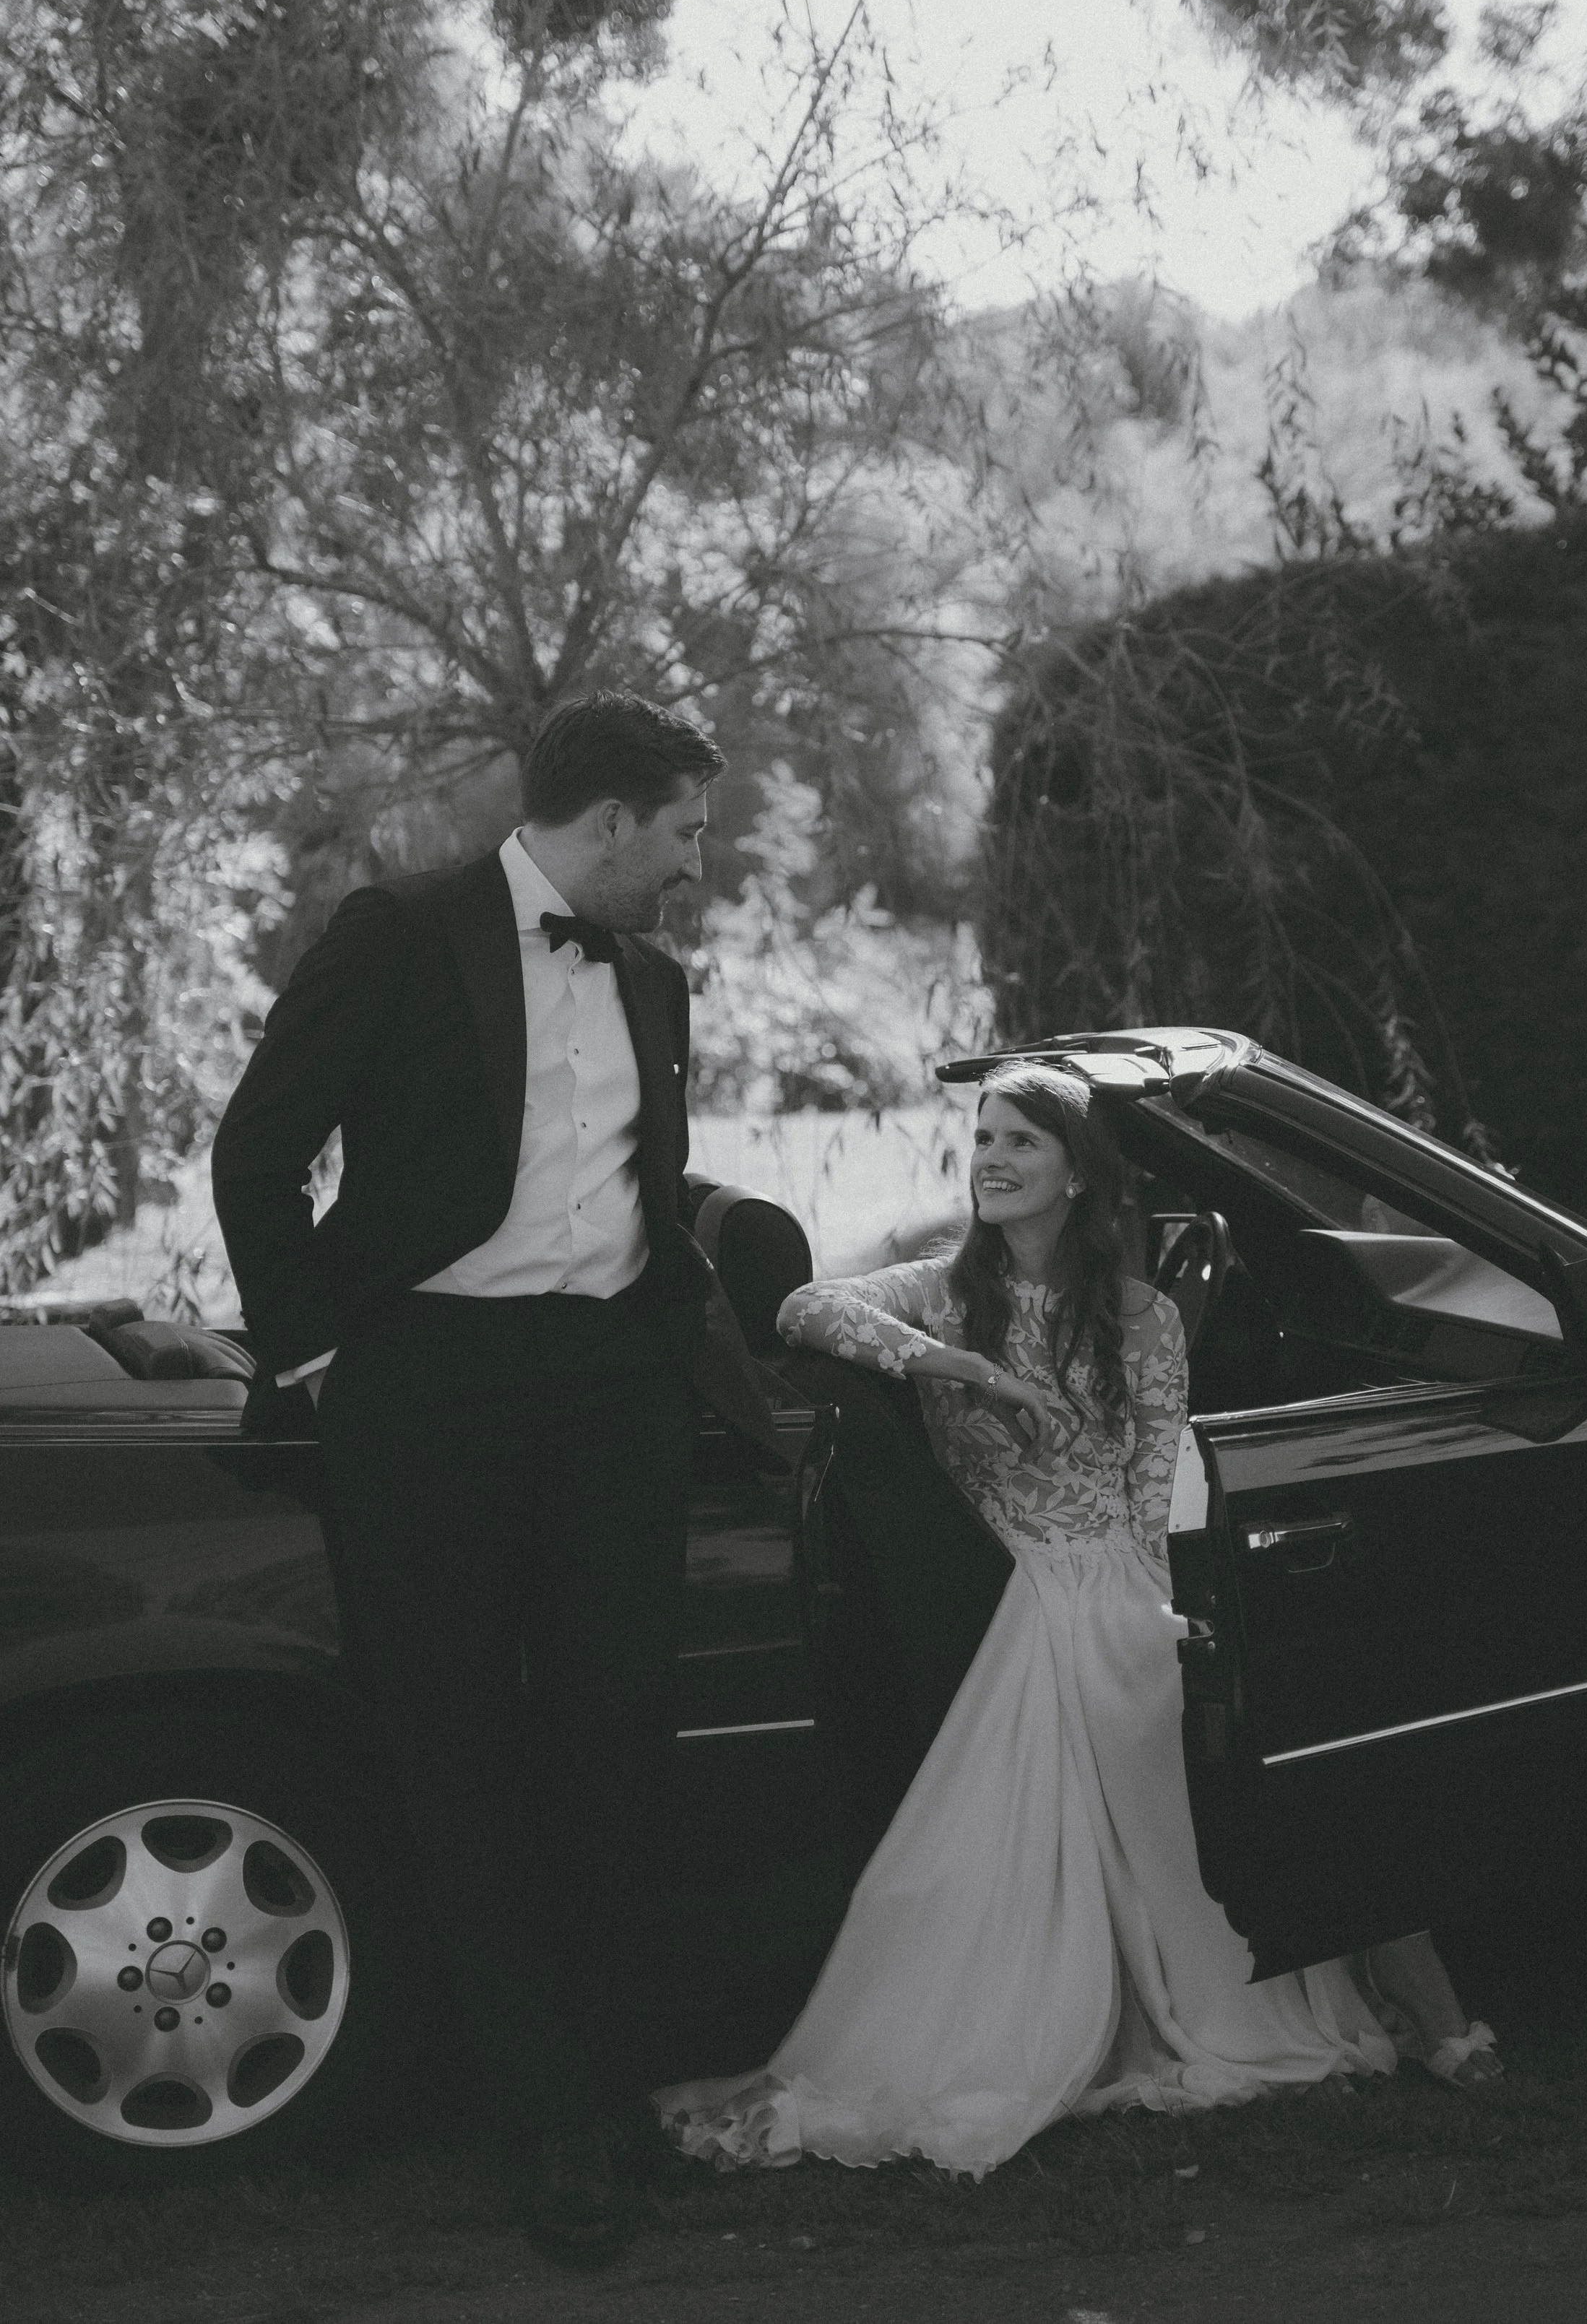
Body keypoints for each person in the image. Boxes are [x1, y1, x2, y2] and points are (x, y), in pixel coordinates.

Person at [658, 1060, 1497, 2177]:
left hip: (1114, 1586)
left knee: (1252, 1723)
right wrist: (966, 1370)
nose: (993, 1161)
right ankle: (1426, 2019)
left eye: (1022, 1144)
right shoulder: (943, 1292)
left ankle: (1418, 2007)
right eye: (984, 1140)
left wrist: (1170, 1610)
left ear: (1078, 1179)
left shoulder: (1141, 1319)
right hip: (1013, 1594)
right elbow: (806, 1306)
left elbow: (1152, 1486)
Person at [212, 691, 778, 2265]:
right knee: (456, 1759)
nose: (691, 866)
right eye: (681, 833)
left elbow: (648, 1203)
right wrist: (321, 1361)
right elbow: (257, 1155)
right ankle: (544, 2126)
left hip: (611, 1404)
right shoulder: (398, 933)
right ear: (607, 825)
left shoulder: (656, 984)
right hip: (430, 1404)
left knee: (614, 1750)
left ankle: (603, 2087)